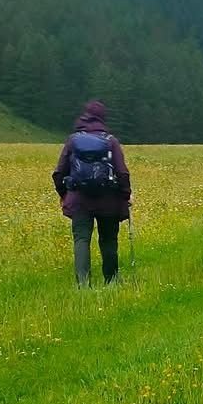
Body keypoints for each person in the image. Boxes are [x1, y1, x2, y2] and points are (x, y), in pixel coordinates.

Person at [52, 100, 131, 286]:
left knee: (81, 239)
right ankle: (111, 281)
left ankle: (83, 284)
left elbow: (58, 173)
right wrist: (126, 195)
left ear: (84, 116)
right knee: (109, 240)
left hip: (79, 199)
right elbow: (122, 172)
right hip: (109, 200)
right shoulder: (110, 141)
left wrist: (64, 194)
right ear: (103, 118)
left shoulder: (73, 141)